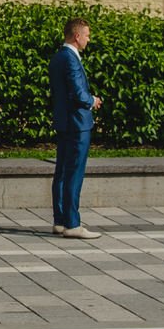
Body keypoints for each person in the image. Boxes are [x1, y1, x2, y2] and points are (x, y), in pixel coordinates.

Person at [49, 17, 102, 240]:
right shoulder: (70, 59)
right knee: (74, 173)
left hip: (64, 122)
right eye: (87, 35)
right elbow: (77, 92)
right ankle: (72, 223)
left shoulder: (58, 57)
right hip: (77, 123)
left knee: (61, 171)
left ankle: (60, 220)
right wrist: (92, 101)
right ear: (77, 36)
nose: (89, 40)